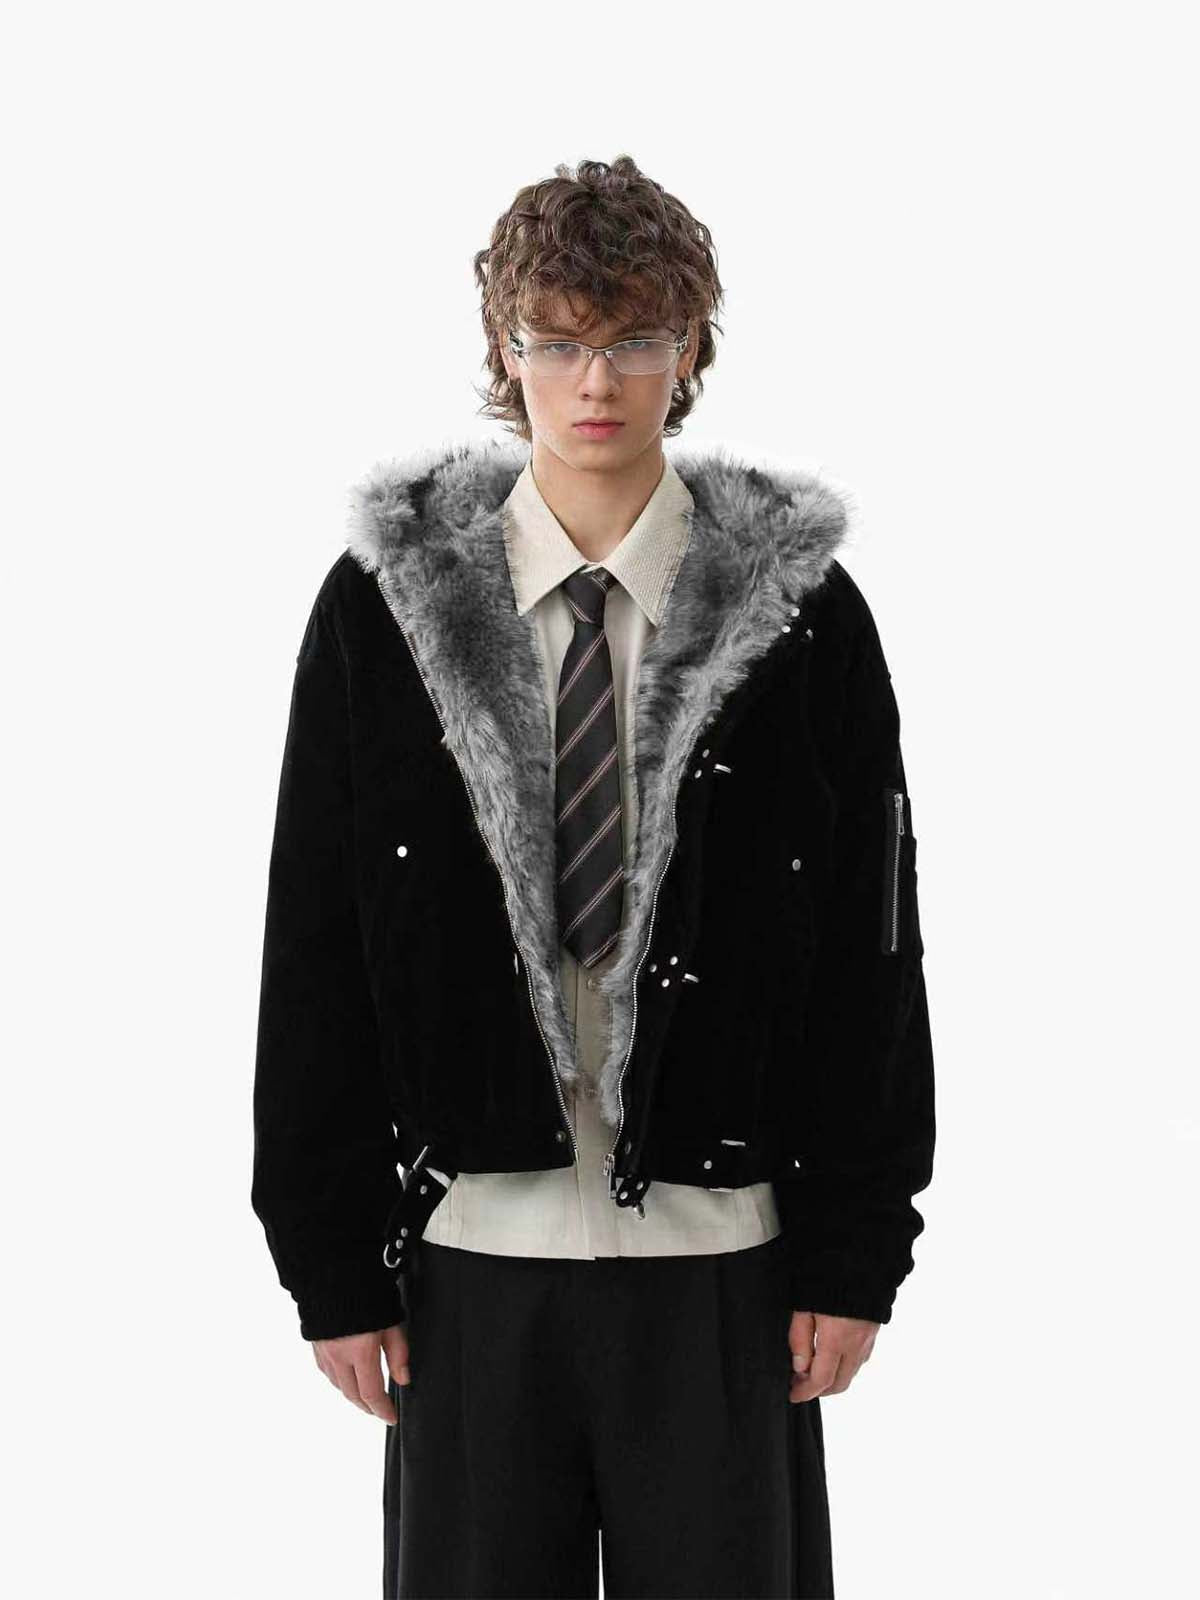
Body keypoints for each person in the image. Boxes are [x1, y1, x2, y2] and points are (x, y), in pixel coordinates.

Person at [251, 154, 936, 1600]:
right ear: (505, 351)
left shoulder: (802, 620)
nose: (596, 380)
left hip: (724, 1265)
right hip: (468, 1266)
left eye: (633, 338)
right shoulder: (388, 610)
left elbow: (874, 954)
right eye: (556, 340)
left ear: (689, 347)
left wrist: (854, 1250)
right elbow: (314, 940)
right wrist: (330, 1260)